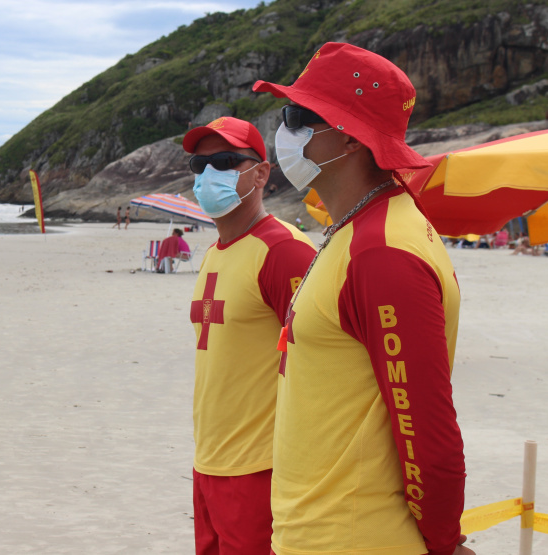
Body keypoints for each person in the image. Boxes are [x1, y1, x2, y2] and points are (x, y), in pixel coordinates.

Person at [253, 42, 471, 555]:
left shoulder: (382, 253)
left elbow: (428, 430)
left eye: (299, 116)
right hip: (319, 530)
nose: (283, 131)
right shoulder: (359, 230)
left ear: (349, 138)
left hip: (353, 537)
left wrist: (444, 541)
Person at [184, 117, 316, 554]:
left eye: (223, 161)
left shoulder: (284, 253)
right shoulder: (214, 254)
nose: (207, 175)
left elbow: (324, 365)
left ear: (261, 172)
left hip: (261, 469)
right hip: (209, 463)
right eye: (198, 165)